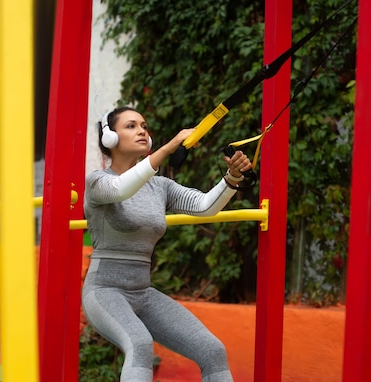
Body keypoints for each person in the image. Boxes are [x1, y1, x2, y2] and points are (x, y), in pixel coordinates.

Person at [82, 106, 252, 382]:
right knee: (139, 344)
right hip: (104, 291)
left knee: (212, 350)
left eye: (144, 126)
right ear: (110, 138)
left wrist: (232, 177)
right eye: (131, 126)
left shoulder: (160, 186)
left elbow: (205, 207)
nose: (141, 130)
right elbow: (122, 189)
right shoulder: (98, 182)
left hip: (142, 292)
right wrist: (169, 146)